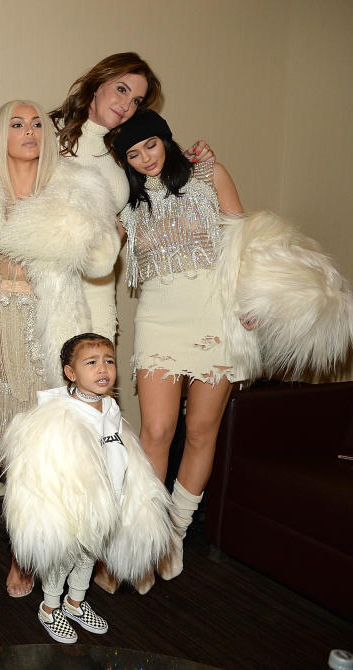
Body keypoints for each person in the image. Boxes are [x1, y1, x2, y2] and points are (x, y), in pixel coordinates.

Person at [0, 100, 119, 598]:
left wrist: (105, 231)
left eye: (37, 123)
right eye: (17, 124)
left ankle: (25, 549)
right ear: (1, 133)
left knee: (34, 445)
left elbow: (102, 261)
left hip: (45, 328)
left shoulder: (71, 189)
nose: (29, 131)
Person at [113, 110, 244, 590]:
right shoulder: (128, 202)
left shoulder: (209, 174)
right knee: (157, 430)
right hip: (159, 321)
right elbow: (97, 249)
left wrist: (250, 304)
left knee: (202, 431)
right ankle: (143, 541)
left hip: (216, 317)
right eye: (133, 154)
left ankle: (172, 536)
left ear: (165, 139)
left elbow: (240, 243)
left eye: (150, 145)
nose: (145, 158)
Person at [2, 333, 172, 644]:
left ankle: (75, 602)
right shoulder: (62, 412)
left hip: (108, 500)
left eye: (109, 361)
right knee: (63, 558)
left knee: (89, 558)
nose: (103, 369)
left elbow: (120, 450)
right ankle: (50, 607)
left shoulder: (109, 406)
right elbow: (51, 461)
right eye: (91, 363)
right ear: (71, 373)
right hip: (73, 506)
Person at [49, 52, 213, 341]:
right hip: (48, 281)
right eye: (122, 90)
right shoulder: (50, 134)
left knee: (94, 379)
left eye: (136, 100)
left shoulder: (121, 149)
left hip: (98, 285)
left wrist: (188, 160)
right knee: (50, 382)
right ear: (98, 82)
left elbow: (150, 192)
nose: (126, 105)